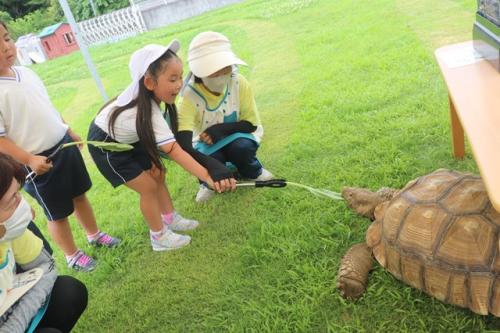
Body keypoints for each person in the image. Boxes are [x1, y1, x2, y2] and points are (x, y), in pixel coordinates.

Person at [87, 40, 234, 252]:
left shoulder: (149, 106)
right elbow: (174, 151)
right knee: (148, 186)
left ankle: (170, 218)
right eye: (173, 79)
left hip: (130, 136)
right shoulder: (145, 111)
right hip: (106, 146)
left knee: (158, 173)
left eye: (181, 76)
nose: (179, 84)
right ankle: (159, 237)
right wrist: (208, 177)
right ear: (149, 83)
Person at [0, 21, 120, 272]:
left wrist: (68, 130)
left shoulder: (28, 73)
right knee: (57, 212)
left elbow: (48, 108)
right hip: (38, 163)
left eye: (7, 38)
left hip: (63, 147)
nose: (6, 47)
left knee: (80, 194)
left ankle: (94, 234)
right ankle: (72, 255)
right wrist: (30, 159)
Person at [177, 31, 273, 203]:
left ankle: (252, 170)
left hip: (238, 136)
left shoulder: (238, 82)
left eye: (225, 67)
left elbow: (250, 125)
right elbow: (183, 144)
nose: (221, 73)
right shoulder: (188, 97)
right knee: (213, 159)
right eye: (213, 70)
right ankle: (207, 183)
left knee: (242, 147)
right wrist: (211, 167)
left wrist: (219, 130)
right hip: (207, 144)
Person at [0, 153, 88, 333]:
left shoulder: (10, 231)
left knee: (69, 292)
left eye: (19, 193)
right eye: (12, 199)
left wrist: (14, 326)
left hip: (10, 320)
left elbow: (45, 268)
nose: (26, 208)